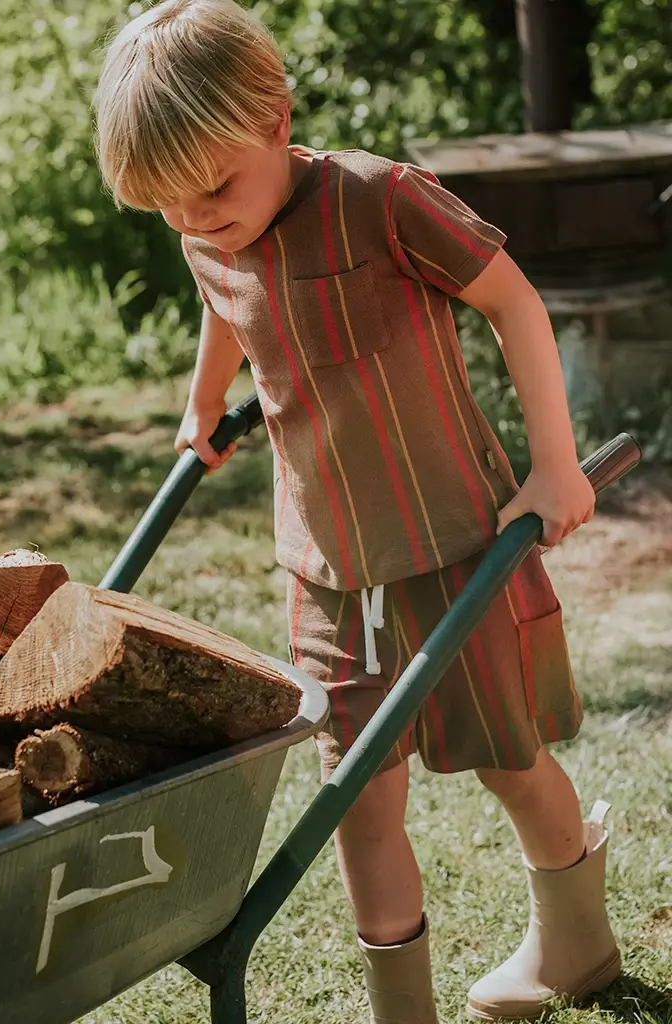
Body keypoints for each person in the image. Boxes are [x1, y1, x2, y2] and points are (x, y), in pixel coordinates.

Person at [92, 1, 621, 1021]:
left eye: (211, 188)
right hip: (326, 571)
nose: (198, 218)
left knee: (509, 760)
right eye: (168, 204)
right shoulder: (210, 226)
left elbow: (512, 301)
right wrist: (204, 400)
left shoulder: (380, 200)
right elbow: (220, 298)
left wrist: (553, 465)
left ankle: (575, 944)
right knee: (357, 800)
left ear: (278, 118)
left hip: (460, 543)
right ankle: (401, 1013)